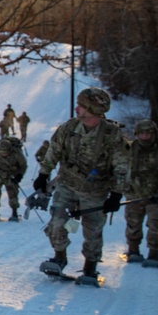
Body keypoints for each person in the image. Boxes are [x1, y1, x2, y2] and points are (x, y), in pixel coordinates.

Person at [33, 88, 129, 278]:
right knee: (56, 223)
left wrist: (116, 194)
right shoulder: (68, 128)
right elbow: (53, 151)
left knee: (93, 231)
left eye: (82, 106)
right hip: (67, 185)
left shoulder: (112, 134)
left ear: (93, 110)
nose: (77, 109)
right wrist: (43, 175)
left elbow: (121, 165)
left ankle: (90, 268)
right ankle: (59, 258)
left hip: (96, 190)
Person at [122, 119, 158, 267]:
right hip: (134, 194)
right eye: (142, 133)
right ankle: (133, 250)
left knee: (156, 225)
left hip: (157, 196)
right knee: (133, 224)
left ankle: (154, 253)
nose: (145, 136)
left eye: (148, 133)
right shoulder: (129, 149)